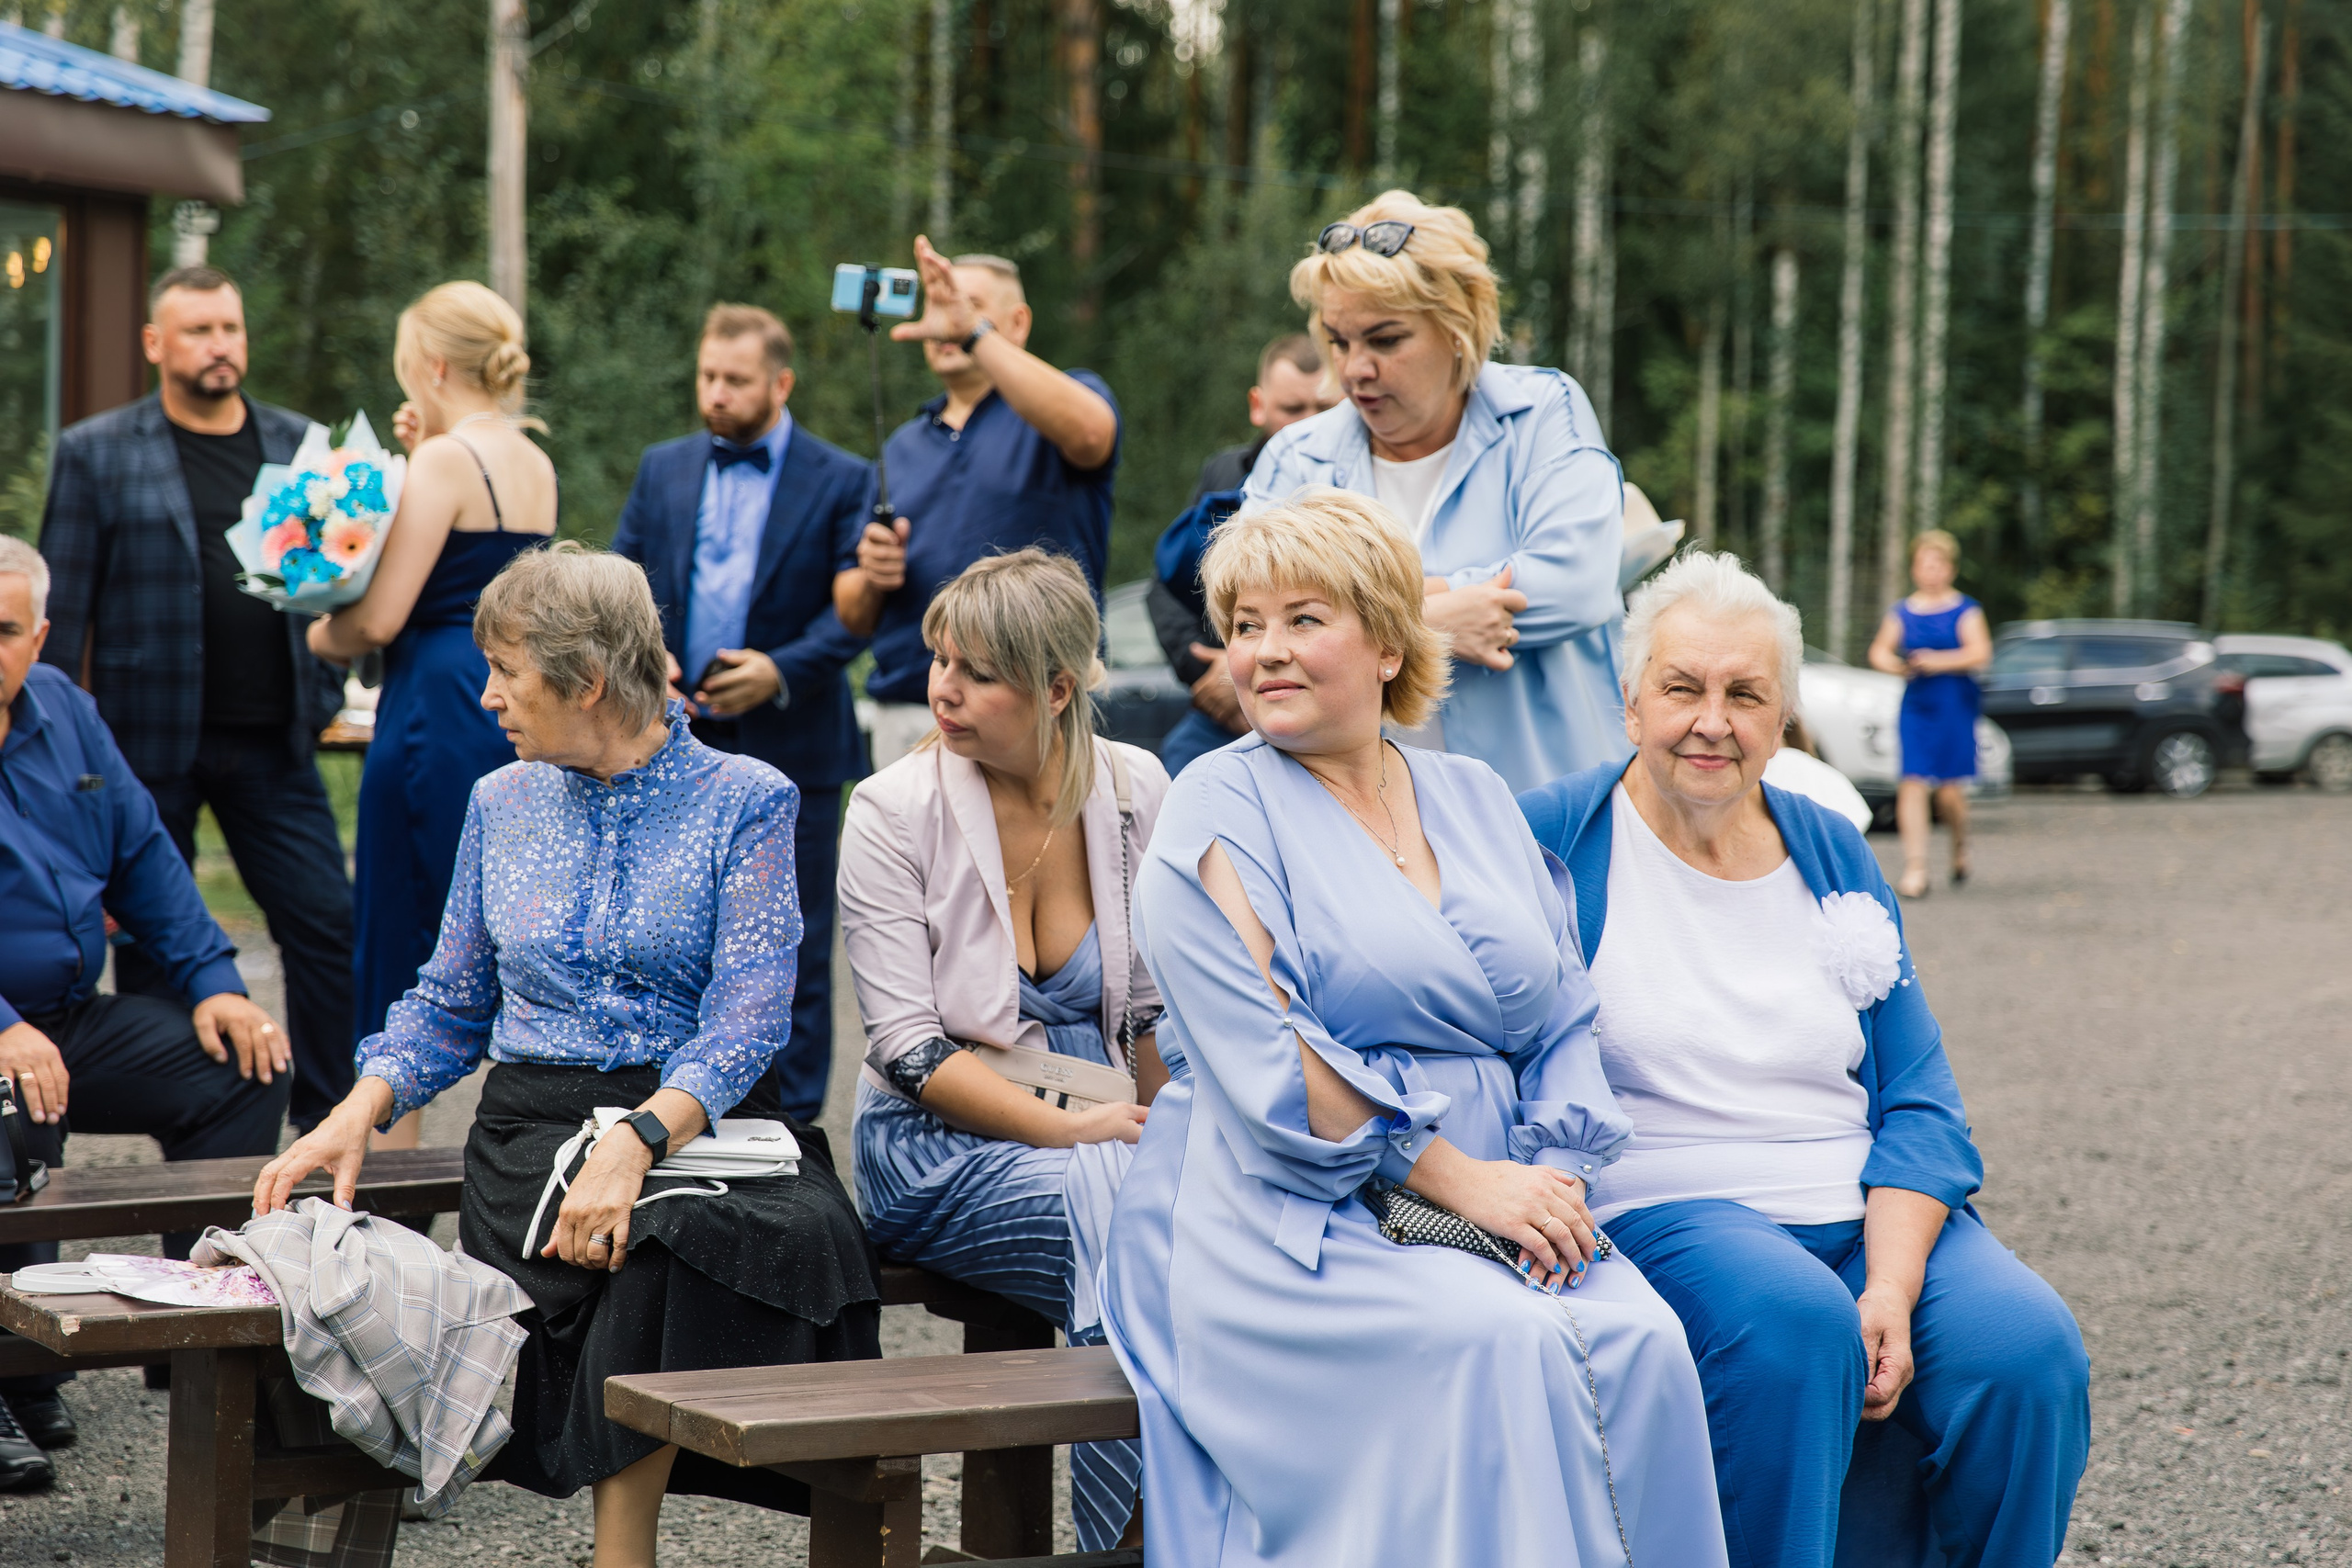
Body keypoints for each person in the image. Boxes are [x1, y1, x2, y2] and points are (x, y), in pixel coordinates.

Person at [1101, 490, 1726, 1566]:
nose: (1266, 653)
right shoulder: (1213, 804)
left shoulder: (1476, 794)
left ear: (1389, 643)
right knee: (1502, 1348)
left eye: (1304, 620)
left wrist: (1555, 1169)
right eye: (1245, 625)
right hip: (1297, 1214)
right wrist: (1463, 1179)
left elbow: (1563, 1011)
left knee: (1645, 1342)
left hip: (1513, 1192)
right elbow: (1273, 1059)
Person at [253, 545, 879, 1567]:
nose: (488, 695)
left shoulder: (748, 797)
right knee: (644, 1243)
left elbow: (752, 1016)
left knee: (710, 1232)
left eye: (507, 671)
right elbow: (452, 1000)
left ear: (588, 681)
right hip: (533, 1132)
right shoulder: (500, 801)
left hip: (695, 1120)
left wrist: (639, 1139)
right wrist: (355, 1107)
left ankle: (629, 1551)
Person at [1518, 551, 2088, 1568]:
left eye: (1746, 695)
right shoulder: (1553, 838)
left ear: (1781, 720)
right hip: (1666, 1204)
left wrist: (1892, 1286)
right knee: (1792, 1328)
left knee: (2026, 1351)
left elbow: (1917, 1101)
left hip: (1856, 1209)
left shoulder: (1828, 845)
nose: (1712, 720)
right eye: (1682, 687)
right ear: (1630, 701)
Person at [842, 548, 1166, 1551]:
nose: (943, 688)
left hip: (1107, 1122)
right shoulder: (891, 810)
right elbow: (906, 1052)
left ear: (1056, 687)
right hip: (936, 1141)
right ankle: (1125, 1543)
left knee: (1209, 1217)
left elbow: (1153, 1014)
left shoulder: (1133, 790)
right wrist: (1098, 1139)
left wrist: (1170, 1135)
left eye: (977, 672)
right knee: (1122, 1208)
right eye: (940, 659)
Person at [37, 265, 356, 1134]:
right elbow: (56, 626)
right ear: (156, 344)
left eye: (231, 327)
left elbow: (338, 585)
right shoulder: (97, 450)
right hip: (146, 748)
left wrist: (321, 685)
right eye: (199, 330)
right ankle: (182, 1123)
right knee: (146, 947)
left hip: (274, 742)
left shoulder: (302, 448)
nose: (221, 345)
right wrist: (57, 752)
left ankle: (328, 1119)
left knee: (327, 925)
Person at [0, 537, 289, 1485]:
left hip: (71, 1017)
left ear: (38, 639)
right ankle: (14, 1376)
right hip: (6, 1028)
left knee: (240, 1068)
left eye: (1, 631)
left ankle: (197, 1330)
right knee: (9, 1107)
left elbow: (146, 857)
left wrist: (214, 980)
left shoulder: (68, 714)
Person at [1241, 191, 1629, 795]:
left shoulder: (1542, 412)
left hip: (1547, 824)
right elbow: (1250, 617)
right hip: (1354, 837)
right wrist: (1433, 619)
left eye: (1385, 340)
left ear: (1457, 326)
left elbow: (1575, 582)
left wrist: (1365, 616)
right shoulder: (1297, 456)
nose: (1354, 370)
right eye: (1340, 341)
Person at [304, 282, 555, 1147]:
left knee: (401, 936)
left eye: (408, 368)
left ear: (435, 365)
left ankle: (383, 1186)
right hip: (501, 695)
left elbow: (376, 617)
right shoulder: (530, 458)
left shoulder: (445, 464)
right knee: (499, 918)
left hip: (430, 709)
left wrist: (317, 630)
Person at [613, 303, 874, 1122]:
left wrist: (780, 669)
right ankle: (677, 1119)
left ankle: (791, 1137)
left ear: (781, 383)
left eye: (736, 380)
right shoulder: (663, 466)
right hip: (671, 742)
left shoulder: (843, 477)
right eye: (707, 376)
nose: (717, 393)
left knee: (792, 951)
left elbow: (854, 618)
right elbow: (621, 579)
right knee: (671, 937)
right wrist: (647, 654)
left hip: (795, 740)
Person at [832, 238, 1122, 768]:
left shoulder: (1064, 401)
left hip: (1039, 700)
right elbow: (851, 612)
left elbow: (1090, 432)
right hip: (915, 708)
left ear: (1017, 323)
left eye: (967, 306)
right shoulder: (901, 446)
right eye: (938, 304)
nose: (945, 318)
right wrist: (874, 575)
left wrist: (974, 336)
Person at [1149, 333, 1336, 776]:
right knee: (1178, 772)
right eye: (1293, 410)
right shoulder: (1224, 473)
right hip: (1227, 690)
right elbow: (1167, 586)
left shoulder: (1357, 482)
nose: (1307, 424)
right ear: (1259, 405)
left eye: (1324, 409)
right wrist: (1207, 674)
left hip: (1328, 690)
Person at [1867, 529, 1990, 899]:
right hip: (1917, 704)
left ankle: (1958, 845)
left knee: (1950, 792)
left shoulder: (1965, 609)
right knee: (1913, 780)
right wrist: (1898, 666)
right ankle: (1915, 867)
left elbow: (1980, 652)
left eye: (1936, 564)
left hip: (1954, 702)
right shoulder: (1902, 611)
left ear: (1949, 569)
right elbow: (1879, 652)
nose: (1929, 571)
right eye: (1923, 564)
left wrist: (1937, 661)